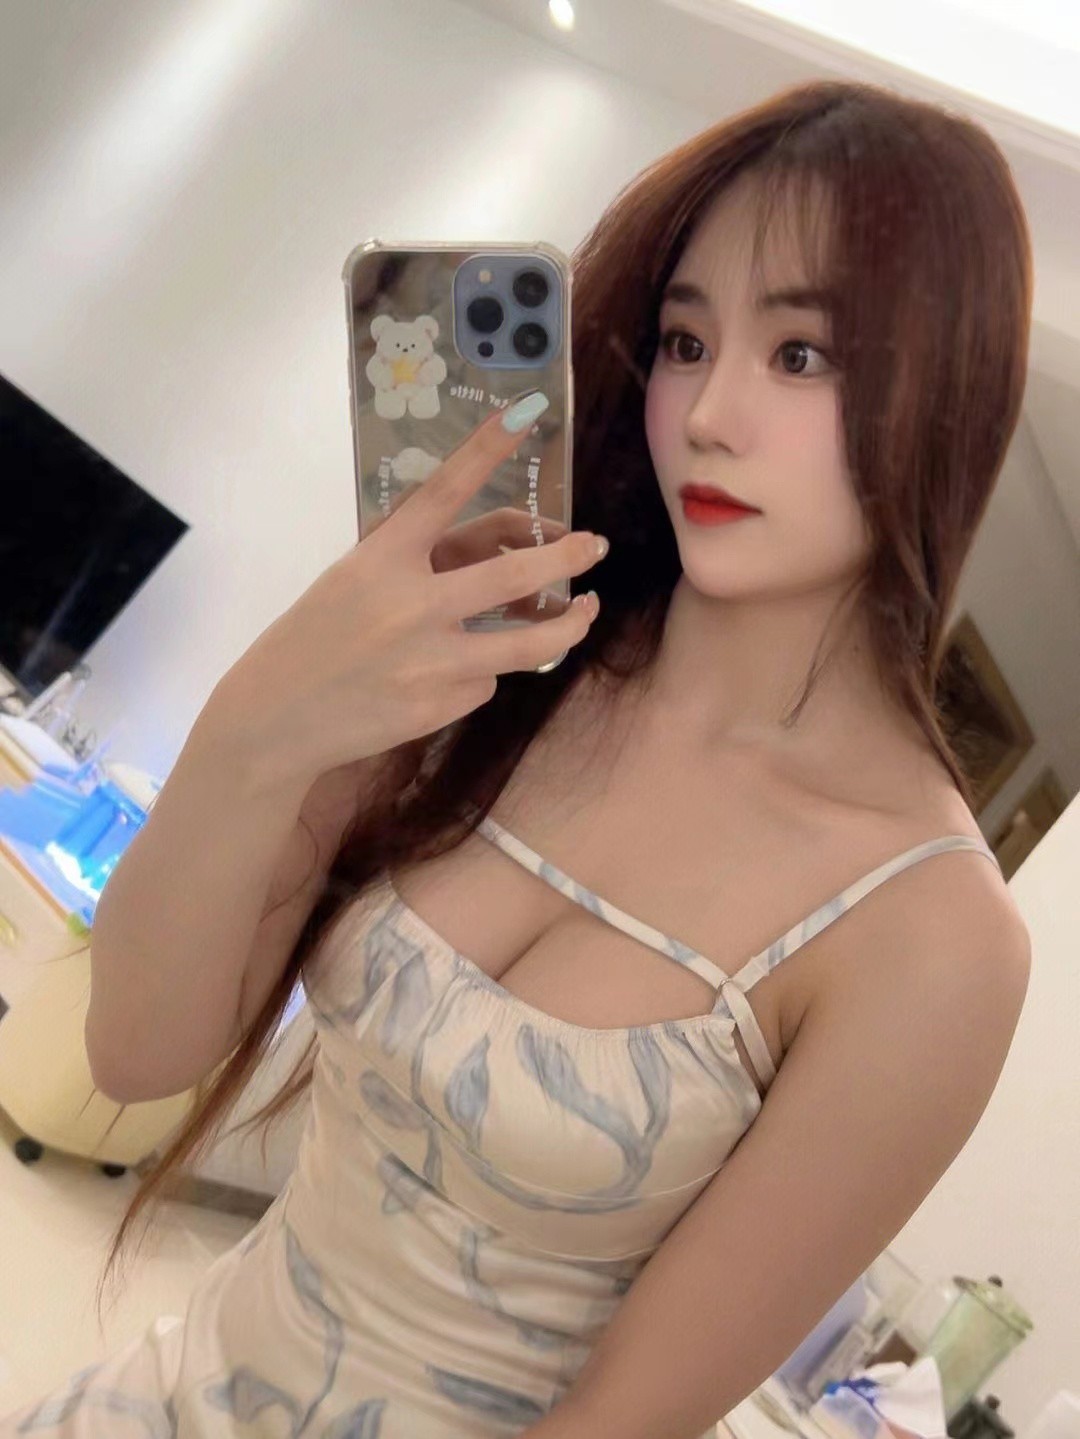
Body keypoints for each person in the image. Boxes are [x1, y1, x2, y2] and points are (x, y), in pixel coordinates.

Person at [2, 77, 1034, 1439]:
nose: (708, 412)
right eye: (685, 340)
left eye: (802, 356)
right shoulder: (499, 664)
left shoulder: (930, 935)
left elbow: (619, 1424)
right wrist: (267, 713)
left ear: (947, 398)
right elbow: (140, 1048)